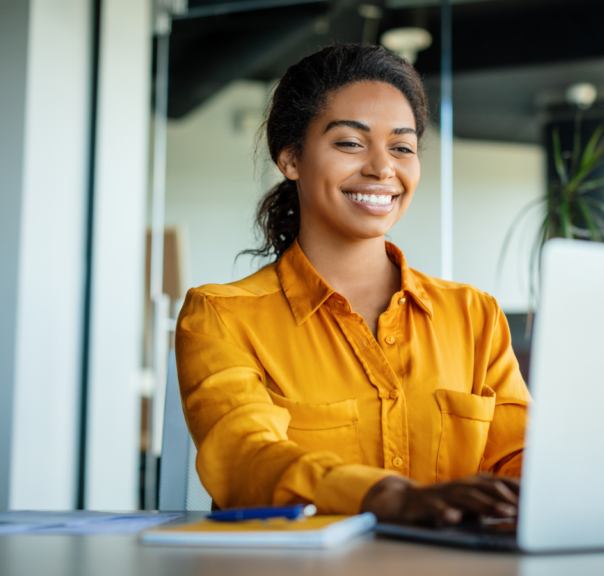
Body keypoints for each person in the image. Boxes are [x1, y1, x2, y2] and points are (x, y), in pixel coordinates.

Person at [175, 44, 530, 526]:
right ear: (291, 158)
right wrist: (385, 497)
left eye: (402, 147)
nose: (383, 168)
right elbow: (244, 458)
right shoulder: (221, 316)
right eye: (350, 142)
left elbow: (521, 458)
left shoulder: (473, 316)